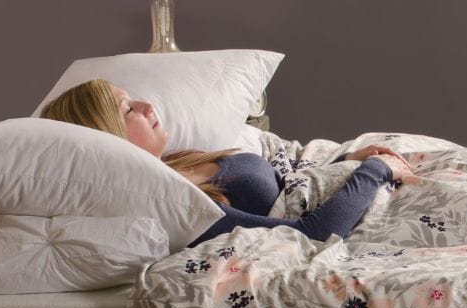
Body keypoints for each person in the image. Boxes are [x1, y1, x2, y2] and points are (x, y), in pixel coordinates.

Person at [40, 78, 413, 246]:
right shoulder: (174, 203)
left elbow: (289, 183)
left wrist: (345, 161)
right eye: (127, 109)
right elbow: (311, 235)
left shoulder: (176, 162)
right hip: (364, 207)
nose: (147, 106)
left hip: (353, 182)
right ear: (106, 134)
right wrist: (376, 171)